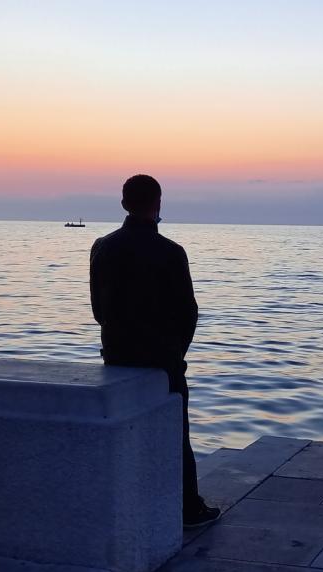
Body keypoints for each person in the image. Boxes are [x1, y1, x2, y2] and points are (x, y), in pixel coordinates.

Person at [90, 174, 220, 528]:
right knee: (176, 436)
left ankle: (137, 501)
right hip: (163, 360)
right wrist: (175, 354)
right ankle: (188, 508)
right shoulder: (171, 252)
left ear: (123, 204)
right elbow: (188, 313)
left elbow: (98, 310)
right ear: (158, 203)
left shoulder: (102, 246)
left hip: (116, 357)